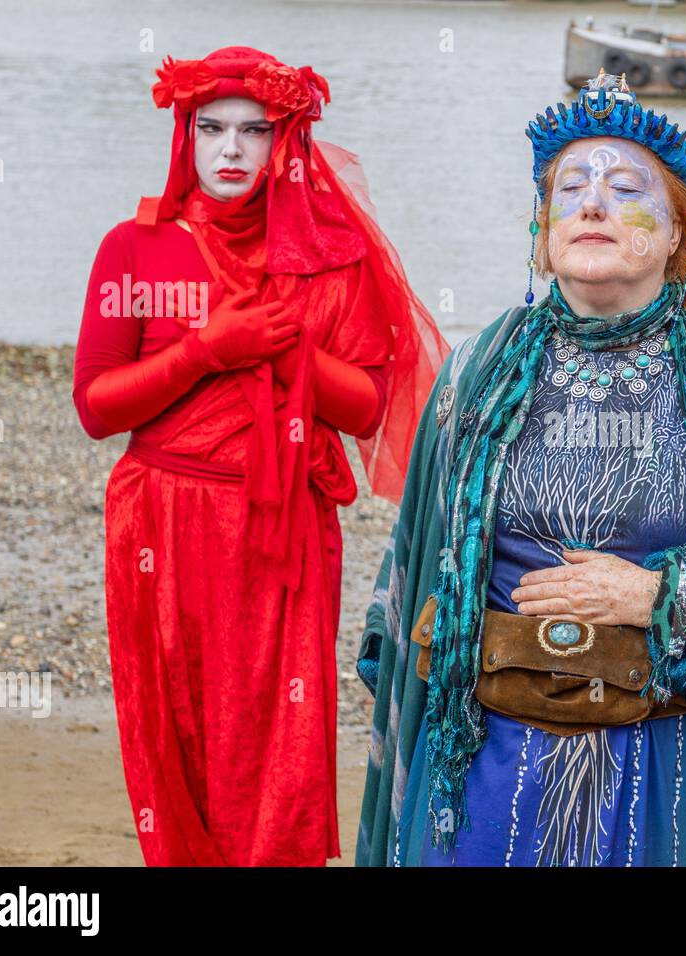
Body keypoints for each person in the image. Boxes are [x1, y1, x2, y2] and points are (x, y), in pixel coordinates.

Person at [355, 71, 686, 867]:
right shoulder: (473, 376)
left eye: (626, 187)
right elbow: (412, 590)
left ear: (675, 236)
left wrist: (659, 594)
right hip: (486, 771)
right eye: (571, 188)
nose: (592, 203)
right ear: (543, 227)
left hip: (677, 774)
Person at [71, 46, 447, 865]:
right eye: (211, 129)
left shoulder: (331, 256)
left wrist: (291, 359)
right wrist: (206, 350)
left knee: (276, 736)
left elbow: (372, 407)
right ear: (184, 135)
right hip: (160, 519)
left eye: (255, 131)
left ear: (290, 143)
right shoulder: (134, 250)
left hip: (281, 529)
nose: (231, 150)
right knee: (173, 729)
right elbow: (96, 408)